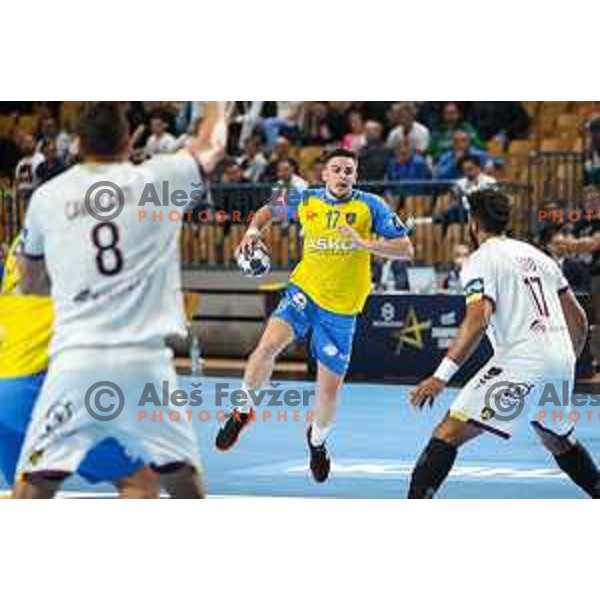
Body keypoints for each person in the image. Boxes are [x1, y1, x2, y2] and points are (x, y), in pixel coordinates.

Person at [12, 101, 226, 499]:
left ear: (77, 144)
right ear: (130, 142)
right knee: (182, 479)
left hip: (76, 359)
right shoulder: (161, 180)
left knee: (36, 482)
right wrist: (216, 101)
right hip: (144, 362)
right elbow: (212, 146)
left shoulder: (48, 196)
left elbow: (31, 282)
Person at [214, 148, 414, 482]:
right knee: (265, 348)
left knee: (328, 390)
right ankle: (242, 411)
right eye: (336, 169)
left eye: (349, 170)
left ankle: (317, 442)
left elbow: (406, 248)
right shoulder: (306, 200)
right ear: (324, 174)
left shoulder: (371, 206)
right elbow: (266, 211)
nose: (342, 176)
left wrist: (364, 243)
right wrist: (252, 232)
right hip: (304, 293)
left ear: (356, 175)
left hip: (342, 309)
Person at [407, 188, 600, 499]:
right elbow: (578, 318)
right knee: (556, 438)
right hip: (561, 357)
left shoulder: (480, 260)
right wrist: (565, 363)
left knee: (448, 431)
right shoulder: (540, 256)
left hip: (523, 360)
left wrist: (440, 376)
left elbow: (478, 320)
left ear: (472, 223)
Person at [0, 233, 158, 497]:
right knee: (141, 483)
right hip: (37, 385)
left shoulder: (25, 237)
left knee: (29, 489)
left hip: (5, 384)